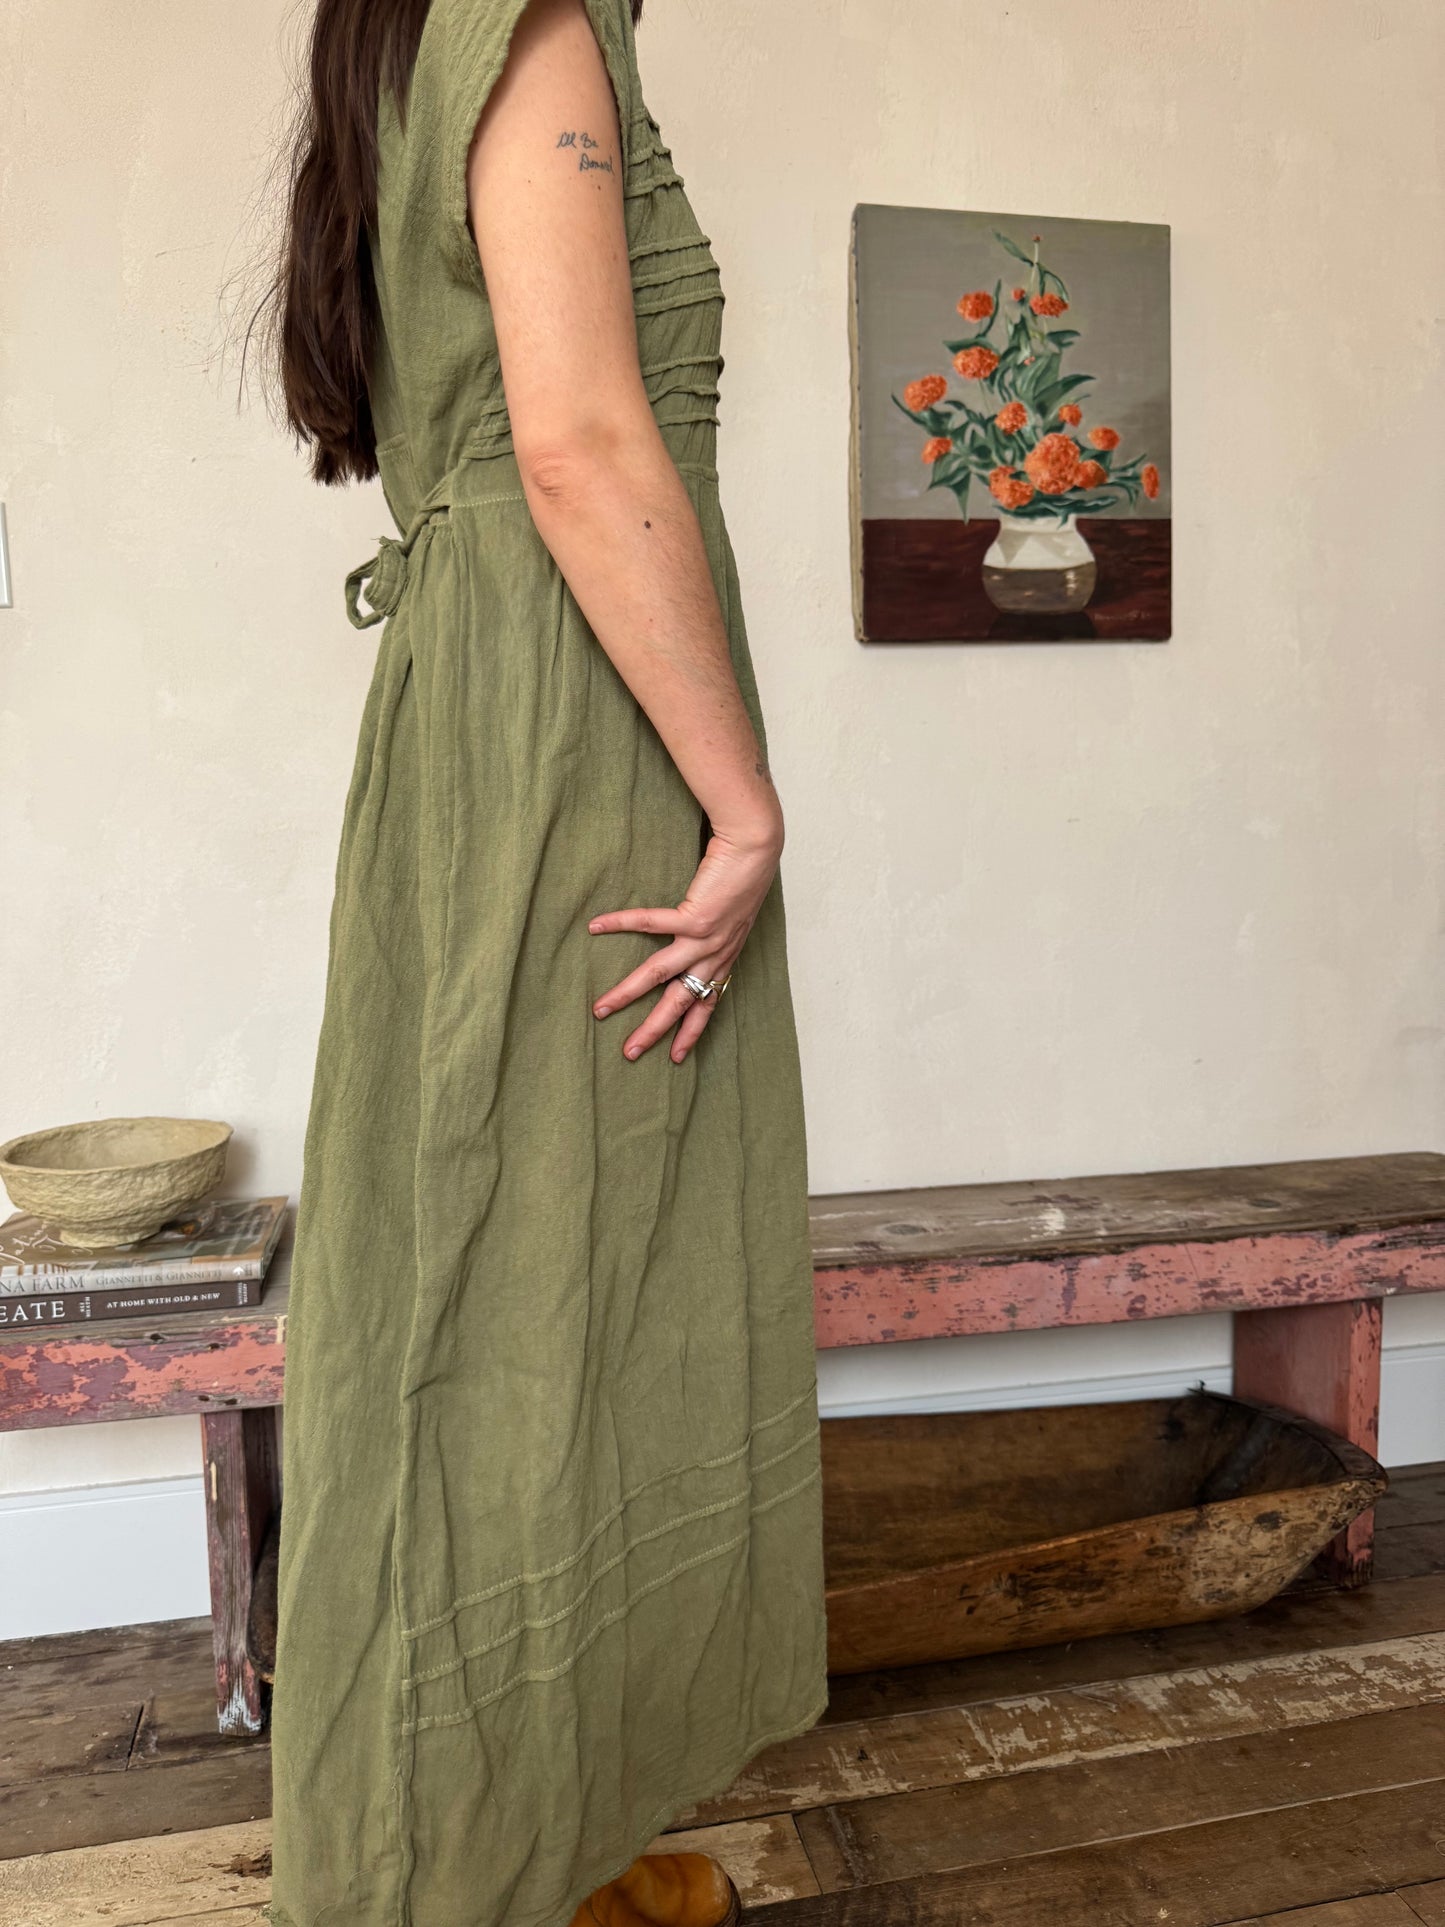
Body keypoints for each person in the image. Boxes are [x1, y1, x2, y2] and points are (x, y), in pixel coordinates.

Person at [256, 0, 829, 1922]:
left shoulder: (410, 35)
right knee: (525, 1290)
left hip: (515, 706)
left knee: (559, 1283)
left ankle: (541, 1838)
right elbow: (576, 444)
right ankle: (455, 1868)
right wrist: (743, 810)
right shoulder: (535, 21)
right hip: (570, 728)